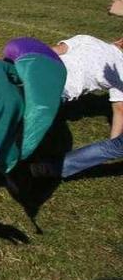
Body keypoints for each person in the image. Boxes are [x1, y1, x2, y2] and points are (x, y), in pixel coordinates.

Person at [30, 35, 123, 179]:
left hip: (37, 72)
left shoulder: (88, 39)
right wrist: (113, 142)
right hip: (56, 93)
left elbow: (53, 51)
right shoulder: (120, 69)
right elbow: (119, 109)